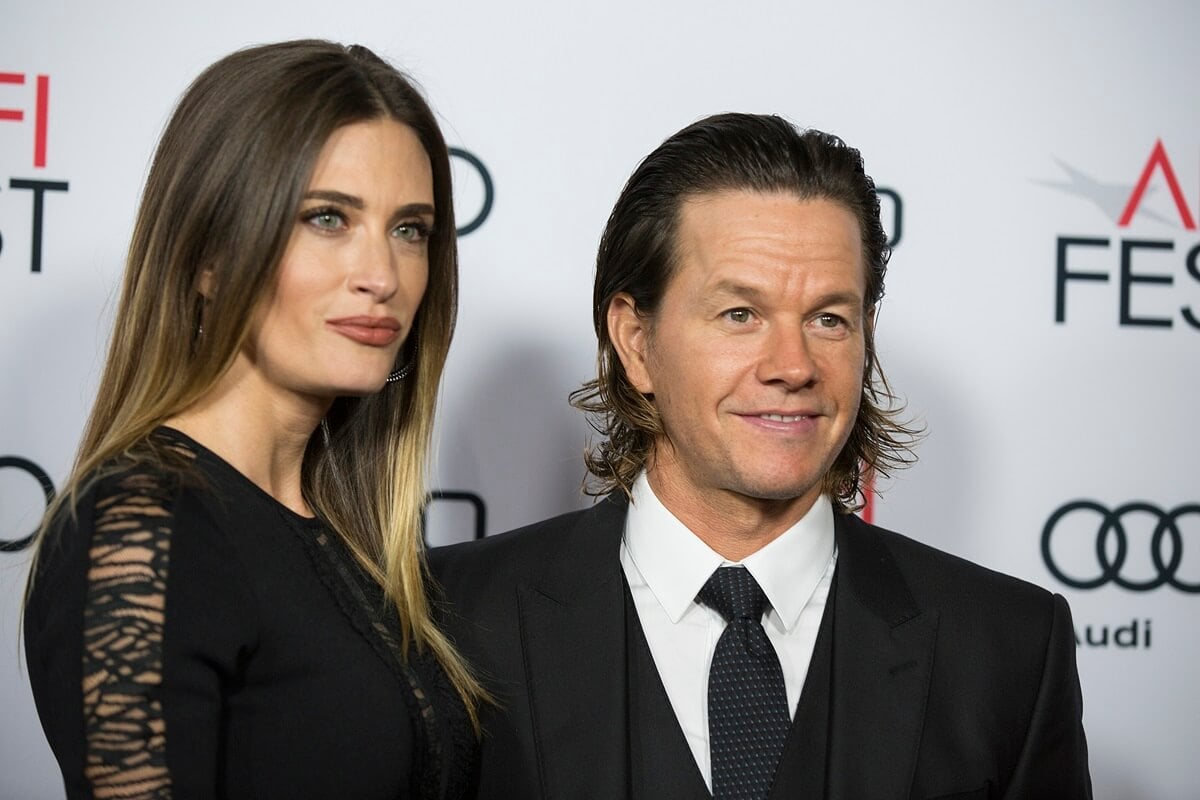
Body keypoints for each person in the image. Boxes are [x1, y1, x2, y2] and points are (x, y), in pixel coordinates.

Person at [430, 113, 1092, 799]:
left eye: (827, 319)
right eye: (740, 314)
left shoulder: (1006, 647)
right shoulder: (447, 620)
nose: (793, 366)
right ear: (634, 340)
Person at [24, 40, 485, 800]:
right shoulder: (141, 524)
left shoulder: (351, 540)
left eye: (411, 229)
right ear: (206, 257)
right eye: (327, 218)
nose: (381, 276)